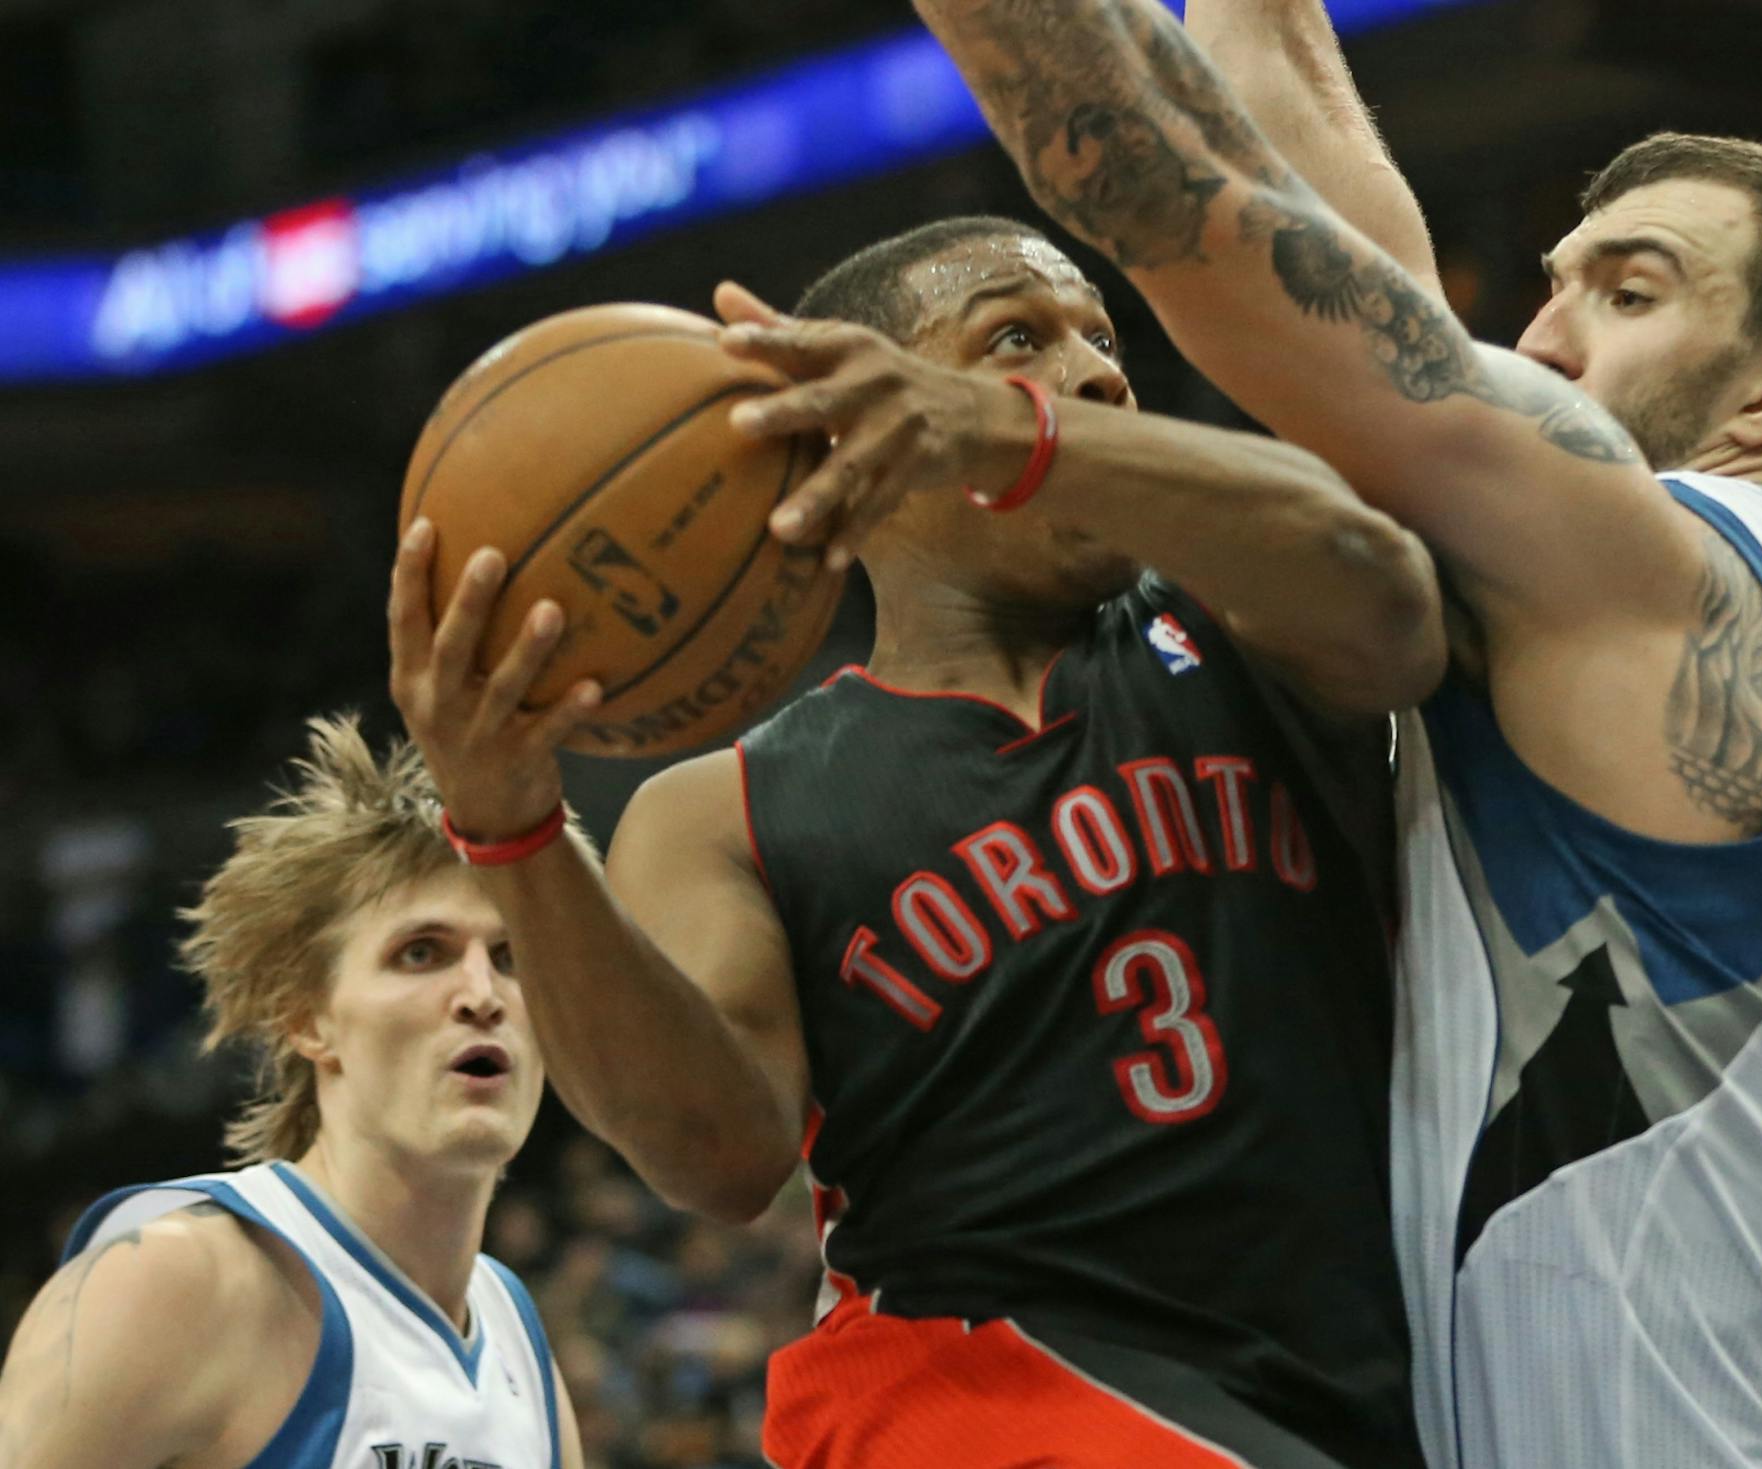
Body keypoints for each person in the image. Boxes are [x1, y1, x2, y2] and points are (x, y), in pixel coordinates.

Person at [912, 2, 1762, 1464]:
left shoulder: (1655, 563)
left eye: (1631, 295)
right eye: (1556, 286)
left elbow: (1178, 210)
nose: (1543, 335)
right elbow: (1343, 243)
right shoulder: (1699, 616)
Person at [389, 214, 1447, 1467]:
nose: (1099, 372)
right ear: (863, 439)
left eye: (1101, 344)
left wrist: (1033, 433)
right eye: (1015, 337)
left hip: (1355, 1384)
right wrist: (509, 825)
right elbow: (716, 1156)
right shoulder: (728, 804)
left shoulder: (1245, 616)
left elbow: (1393, 612)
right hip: (982, 1393)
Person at [0, 716, 580, 1469]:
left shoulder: (518, 1339)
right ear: (307, 1017)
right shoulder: (177, 1281)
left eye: (511, 956)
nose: (482, 993)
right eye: (421, 952)